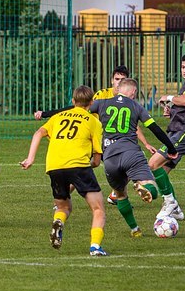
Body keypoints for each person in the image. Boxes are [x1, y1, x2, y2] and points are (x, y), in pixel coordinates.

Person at [34, 65, 155, 204]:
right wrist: (46, 114)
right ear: (112, 80)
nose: (119, 82)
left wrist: (146, 143)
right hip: (93, 138)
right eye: (117, 79)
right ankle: (65, 199)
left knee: (121, 163)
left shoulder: (129, 100)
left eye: (122, 80)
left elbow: (133, 127)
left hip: (109, 141)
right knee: (82, 169)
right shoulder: (102, 95)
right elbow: (77, 107)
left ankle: (115, 194)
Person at [20, 85, 108, 256]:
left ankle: (58, 221)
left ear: (73, 101)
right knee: (98, 209)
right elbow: (97, 160)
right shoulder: (94, 122)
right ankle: (95, 247)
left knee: (63, 206)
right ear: (91, 103)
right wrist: (89, 165)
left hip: (54, 166)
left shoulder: (57, 117)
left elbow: (38, 133)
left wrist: (30, 159)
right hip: (79, 165)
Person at [90, 77, 178, 238]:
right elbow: (154, 128)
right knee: (152, 187)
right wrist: (171, 148)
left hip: (109, 157)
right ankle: (142, 186)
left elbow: (79, 108)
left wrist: (48, 114)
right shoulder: (136, 106)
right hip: (131, 153)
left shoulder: (102, 103)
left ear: (118, 89)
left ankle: (135, 229)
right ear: (133, 91)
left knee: (120, 194)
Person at [148, 52, 185, 221]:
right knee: (161, 173)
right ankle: (175, 208)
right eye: (183, 67)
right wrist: (171, 111)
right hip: (176, 132)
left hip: (183, 133)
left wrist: (169, 97)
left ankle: (170, 203)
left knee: (153, 164)